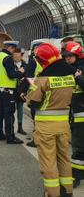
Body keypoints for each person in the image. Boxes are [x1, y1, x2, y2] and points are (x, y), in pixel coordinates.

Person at [27, 43, 75, 197]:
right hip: (64, 125)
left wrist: (26, 95)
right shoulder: (70, 76)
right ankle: (67, 191)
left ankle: (53, 193)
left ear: (43, 61)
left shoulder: (42, 79)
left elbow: (32, 102)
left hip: (46, 127)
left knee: (49, 161)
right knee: (64, 159)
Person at [61, 41, 84, 188]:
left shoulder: (80, 70)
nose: (67, 59)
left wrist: (78, 77)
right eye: (65, 57)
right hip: (75, 113)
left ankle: (76, 176)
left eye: (70, 56)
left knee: (78, 146)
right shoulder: (72, 68)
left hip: (81, 114)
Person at [0, 40, 24, 144]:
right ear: (10, 47)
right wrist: (20, 72)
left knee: (0, 111)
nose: (14, 52)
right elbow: (11, 74)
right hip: (8, 89)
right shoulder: (7, 58)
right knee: (9, 113)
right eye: (14, 49)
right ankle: (10, 137)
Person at [25, 41, 44, 147]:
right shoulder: (46, 61)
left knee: (36, 117)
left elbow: (28, 76)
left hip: (36, 93)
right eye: (37, 48)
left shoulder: (33, 61)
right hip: (44, 91)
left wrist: (33, 88)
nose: (38, 49)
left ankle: (37, 139)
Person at [13, 48, 27, 135]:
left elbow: (28, 77)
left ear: (21, 55)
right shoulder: (10, 64)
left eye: (17, 55)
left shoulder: (25, 65)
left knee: (20, 109)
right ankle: (10, 127)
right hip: (12, 89)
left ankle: (20, 127)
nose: (15, 57)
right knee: (11, 109)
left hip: (21, 90)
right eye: (14, 55)